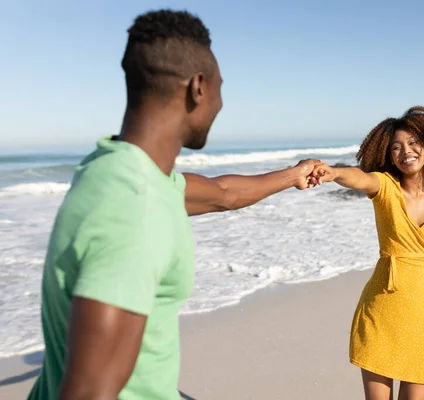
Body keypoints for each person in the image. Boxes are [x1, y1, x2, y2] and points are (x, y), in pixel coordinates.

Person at [27, 9, 321, 400]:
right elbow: (89, 393)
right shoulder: (135, 207)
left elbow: (222, 194)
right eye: (220, 87)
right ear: (198, 88)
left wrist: (293, 174)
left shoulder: (118, 167)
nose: (219, 103)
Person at [312, 106, 424, 400]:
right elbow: (359, 178)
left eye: (414, 143)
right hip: (383, 307)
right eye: (397, 147)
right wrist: (334, 173)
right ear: (389, 156)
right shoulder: (384, 187)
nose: (407, 152)